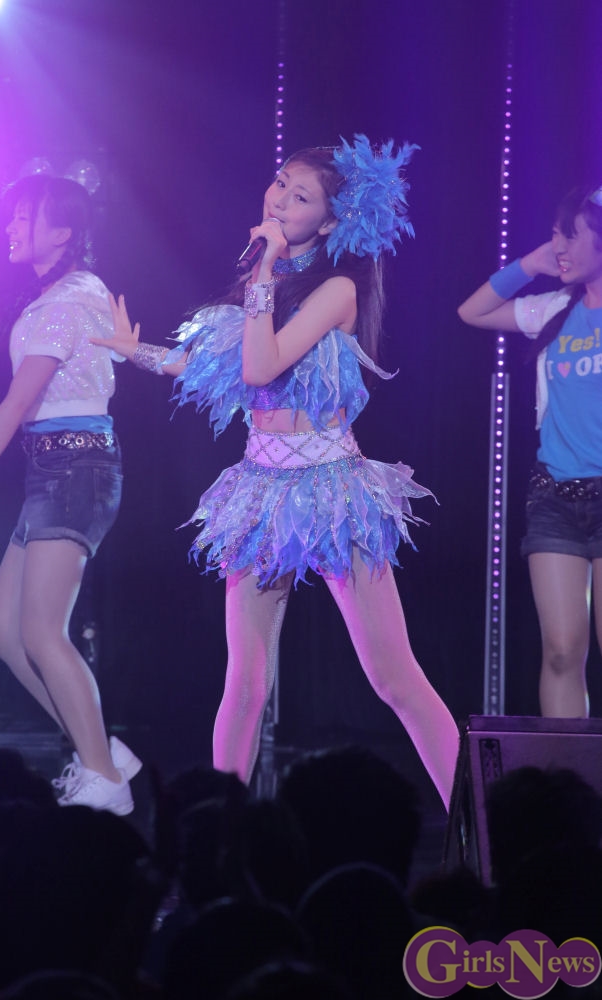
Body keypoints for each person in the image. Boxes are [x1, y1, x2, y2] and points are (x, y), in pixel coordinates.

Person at [93, 135, 459, 809]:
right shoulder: (263, 287)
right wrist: (134, 351)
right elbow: (213, 365)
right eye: (281, 182)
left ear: (330, 221)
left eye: (301, 195)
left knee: (393, 677)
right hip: (261, 492)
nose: (280, 198)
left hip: (333, 489)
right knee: (245, 683)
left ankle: (481, 825)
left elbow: (263, 366)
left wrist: (264, 267)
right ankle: (221, 834)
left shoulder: (338, 290)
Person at [0, 173, 141, 814]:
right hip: (54, 468)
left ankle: (105, 779)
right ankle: (101, 753)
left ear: (63, 232)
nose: (11, 227)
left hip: (75, 469)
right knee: (2, 629)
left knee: (42, 632)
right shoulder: (60, 294)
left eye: (25, 217)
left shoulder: (69, 300)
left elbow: (17, 401)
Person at [458, 184, 602, 718]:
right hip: (554, 498)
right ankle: (565, 770)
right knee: (562, 652)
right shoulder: (555, 310)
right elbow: (473, 312)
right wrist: (530, 264)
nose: (559, 246)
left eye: (571, 235)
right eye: (555, 234)